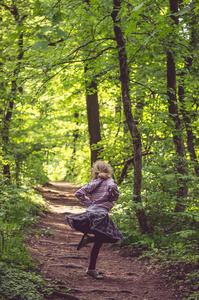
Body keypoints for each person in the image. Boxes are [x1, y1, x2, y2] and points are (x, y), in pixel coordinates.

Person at [66, 160, 124, 279]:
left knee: (100, 240)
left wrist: (89, 203)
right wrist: (112, 195)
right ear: (108, 171)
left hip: (91, 214)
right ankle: (91, 266)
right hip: (101, 215)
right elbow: (115, 196)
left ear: (95, 172)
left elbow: (79, 193)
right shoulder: (109, 181)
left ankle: (91, 265)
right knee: (113, 238)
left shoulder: (94, 182)